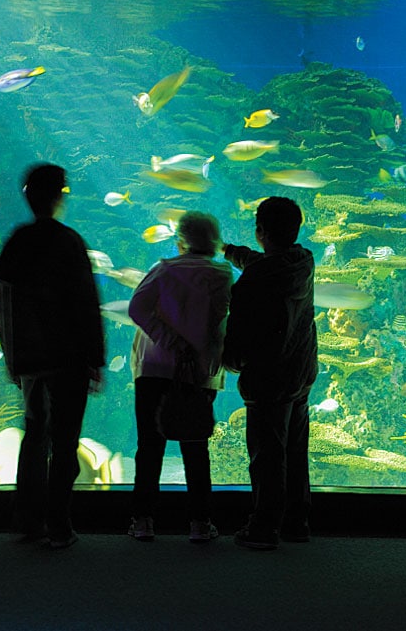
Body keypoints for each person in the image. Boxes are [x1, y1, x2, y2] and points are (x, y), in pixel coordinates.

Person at [0, 163, 105, 549]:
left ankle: (27, 522)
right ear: (60, 196)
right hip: (69, 359)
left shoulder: (17, 243)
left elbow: (5, 303)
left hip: (30, 360)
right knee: (64, 441)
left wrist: (12, 357)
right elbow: (87, 304)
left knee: (35, 436)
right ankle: (59, 524)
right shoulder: (69, 242)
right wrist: (96, 357)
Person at [127, 211, 233, 543]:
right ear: (215, 243)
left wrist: (171, 341)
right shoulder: (222, 275)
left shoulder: (163, 270)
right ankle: (200, 524)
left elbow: (137, 309)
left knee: (150, 446)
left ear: (180, 242)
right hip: (197, 374)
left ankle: (143, 521)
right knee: (195, 446)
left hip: (155, 368)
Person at [221, 196, 317, 550]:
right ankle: (297, 522)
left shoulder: (251, 282)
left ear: (260, 231)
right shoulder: (303, 261)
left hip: (267, 379)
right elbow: (266, 264)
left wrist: (230, 363)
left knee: (267, 455)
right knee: (294, 449)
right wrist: (230, 251)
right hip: (301, 373)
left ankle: (263, 527)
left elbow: (239, 336)